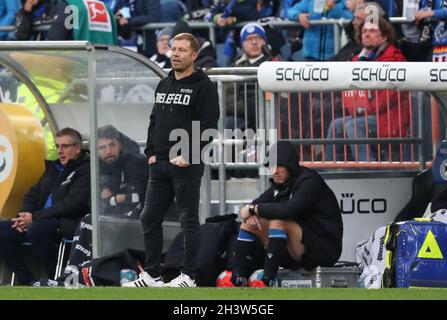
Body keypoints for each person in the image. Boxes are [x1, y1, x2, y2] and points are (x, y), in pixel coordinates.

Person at [123, 32, 220, 288]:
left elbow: (209, 126)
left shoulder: (203, 86)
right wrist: (151, 153)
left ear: (194, 55)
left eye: (181, 50)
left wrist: (189, 154)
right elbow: (154, 120)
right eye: (173, 49)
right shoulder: (165, 82)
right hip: (160, 164)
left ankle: (189, 276)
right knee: (149, 217)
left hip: (186, 165)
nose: (175, 54)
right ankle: (152, 274)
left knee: (188, 219)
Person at [31, 125, 148, 286]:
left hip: (138, 220)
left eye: (112, 145)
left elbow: (137, 197)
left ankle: (73, 278)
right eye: (102, 147)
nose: (108, 151)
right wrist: (117, 198)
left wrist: (113, 198)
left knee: (88, 222)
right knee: (89, 220)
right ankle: (74, 277)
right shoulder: (102, 167)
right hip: (114, 219)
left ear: (120, 144)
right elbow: (94, 201)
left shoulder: (136, 162)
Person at [218, 141, 343, 287]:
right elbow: (252, 207)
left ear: (290, 165)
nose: (274, 171)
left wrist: (253, 210)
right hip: (296, 249)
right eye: (271, 167)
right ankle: (237, 278)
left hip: (324, 248)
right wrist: (249, 211)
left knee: (278, 221)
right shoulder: (279, 184)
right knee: (248, 224)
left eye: (279, 166)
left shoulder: (309, 180)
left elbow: (290, 209)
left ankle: (267, 280)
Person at [0, 128, 90, 285]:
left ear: (77, 148)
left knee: (37, 230)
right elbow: (32, 194)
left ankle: (54, 280)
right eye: (57, 146)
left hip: (65, 222)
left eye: (65, 146)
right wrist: (25, 214)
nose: (60, 151)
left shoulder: (86, 169)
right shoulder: (53, 169)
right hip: (37, 219)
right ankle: (28, 281)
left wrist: (34, 217)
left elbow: (73, 204)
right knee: (2, 229)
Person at [325, 17, 410, 161]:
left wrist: (363, 109)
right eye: (364, 31)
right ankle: (330, 169)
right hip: (366, 114)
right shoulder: (356, 59)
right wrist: (358, 109)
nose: (367, 34)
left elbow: (388, 98)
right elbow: (351, 94)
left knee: (353, 125)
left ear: (384, 36)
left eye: (372, 30)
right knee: (336, 125)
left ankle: (368, 167)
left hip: (390, 117)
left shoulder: (394, 58)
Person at [226, 22, 273, 130]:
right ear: (242, 43)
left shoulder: (273, 64)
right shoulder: (235, 67)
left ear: (265, 41)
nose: (254, 42)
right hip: (241, 117)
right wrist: (252, 107)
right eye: (249, 39)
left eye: (258, 38)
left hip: (271, 118)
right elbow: (228, 102)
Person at [287, 0, 353, 61]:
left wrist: (334, 8)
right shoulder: (309, 1)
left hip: (335, 54)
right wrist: (298, 16)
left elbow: (351, 18)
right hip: (311, 54)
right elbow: (290, 11)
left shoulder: (342, 2)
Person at [48, 0, 117, 44]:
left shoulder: (70, 5)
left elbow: (54, 40)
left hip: (78, 63)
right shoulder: (106, 8)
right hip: (106, 63)